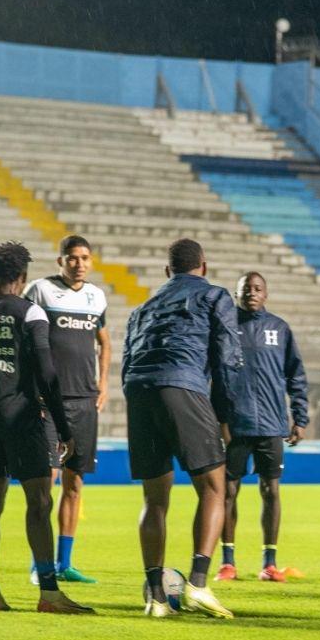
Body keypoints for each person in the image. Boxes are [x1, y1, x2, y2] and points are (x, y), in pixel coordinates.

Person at [0, 241, 93, 614]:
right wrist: (64, 429)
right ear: (22, 276)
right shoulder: (30, 314)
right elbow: (48, 375)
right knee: (39, 503)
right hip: (25, 420)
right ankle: (49, 593)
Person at [122, 238, 241, 618]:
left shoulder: (141, 308)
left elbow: (127, 362)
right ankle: (199, 585)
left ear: (166, 271)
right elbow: (227, 359)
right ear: (203, 267)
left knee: (154, 499)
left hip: (138, 392)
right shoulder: (215, 296)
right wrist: (226, 418)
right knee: (214, 488)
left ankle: (156, 596)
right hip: (182, 385)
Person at [24, 235, 109, 584]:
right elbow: (26, 341)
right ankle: (38, 564)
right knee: (47, 483)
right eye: (72, 258)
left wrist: (103, 385)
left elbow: (104, 342)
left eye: (85, 258)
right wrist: (33, 391)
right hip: (47, 404)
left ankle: (65, 563)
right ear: (60, 261)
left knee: (75, 483)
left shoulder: (96, 296)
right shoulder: (40, 290)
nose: (79, 264)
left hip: (84, 402)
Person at [214, 271, 309, 584]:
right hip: (235, 425)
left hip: (271, 424)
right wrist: (218, 420)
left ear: (266, 294)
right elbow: (212, 375)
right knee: (228, 492)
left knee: (271, 490)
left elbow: (296, 376)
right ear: (237, 293)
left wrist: (300, 417)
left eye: (257, 289)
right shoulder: (225, 329)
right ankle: (228, 562)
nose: (251, 293)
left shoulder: (279, 329)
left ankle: (269, 562)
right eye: (246, 289)